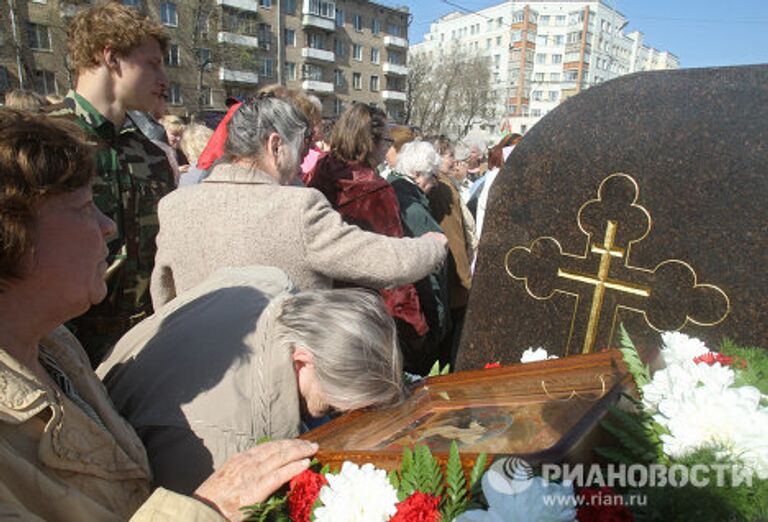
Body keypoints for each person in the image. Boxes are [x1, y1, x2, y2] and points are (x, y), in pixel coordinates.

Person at [0, 108, 317, 521]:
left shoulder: (53, 344)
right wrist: (204, 509)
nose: (107, 225)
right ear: (14, 238)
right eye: (82, 207)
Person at [100, 266, 403, 494]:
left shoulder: (264, 283)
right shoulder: (225, 441)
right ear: (302, 361)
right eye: (334, 405)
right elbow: (192, 508)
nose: (338, 413)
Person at [150, 95, 447, 308]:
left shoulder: (175, 206)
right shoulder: (297, 208)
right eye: (301, 145)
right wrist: (432, 245)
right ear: (276, 145)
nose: (306, 156)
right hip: (277, 381)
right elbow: (379, 259)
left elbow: (163, 299)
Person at [44, 2, 175, 367]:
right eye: (152, 63)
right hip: (60, 348)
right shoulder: (42, 143)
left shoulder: (150, 154)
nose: (163, 78)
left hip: (142, 346)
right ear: (112, 57)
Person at [303, 103, 430, 362]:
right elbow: (392, 266)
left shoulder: (321, 172)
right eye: (386, 139)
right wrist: (416, 328)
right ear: (369, 142)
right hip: (364, 313)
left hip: (322, 305)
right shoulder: (374, 191)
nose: (389, 147)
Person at [388, 141, 452, 373]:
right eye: (432, 177)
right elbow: (431, 275)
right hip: (417, 318)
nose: (434, 184)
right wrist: (438, 327)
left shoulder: (393, 192)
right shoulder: (413, 210)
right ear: (416, 175)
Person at [426, 135, 476, 365]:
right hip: (454, 281)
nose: (455, 162)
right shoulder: (442, 188)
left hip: (448, 279)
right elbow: (454, 237)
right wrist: (466, 281)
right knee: (451, 350)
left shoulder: (443, 184)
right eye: (449, 156)